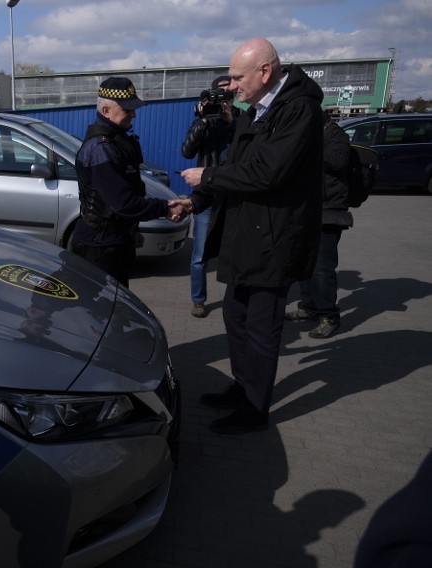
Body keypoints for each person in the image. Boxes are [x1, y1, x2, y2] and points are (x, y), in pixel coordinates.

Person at [178, 38, 324, 434]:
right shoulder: (255, 109)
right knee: (235, 315)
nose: (232, 85)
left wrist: (206, 176)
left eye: (239, 77)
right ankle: (243, 387)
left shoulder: (298, 109)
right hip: (247, 233)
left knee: (261, 327)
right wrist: (195, 200)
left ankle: (255, 408)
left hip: (274, 239)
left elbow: (267, 173)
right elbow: (235, 163)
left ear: (265, 71)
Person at [73, 77, 186, 287]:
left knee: (118, 306)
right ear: (106, 111)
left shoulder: (120, 142)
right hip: (99, 248)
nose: (133, 114)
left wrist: (133, 229)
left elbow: (132, 189)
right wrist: (165, 208)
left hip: (116, 242)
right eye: (127, 109)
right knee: (100, 312)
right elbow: (122, 203)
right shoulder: (101, 149)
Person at [285, 111, 353, 338]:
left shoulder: (336, 135)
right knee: (304, 265)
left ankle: (329, 317)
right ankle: (308, 308)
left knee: (322, 269)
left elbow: (339, 161)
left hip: (329, 212)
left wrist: (310, 148)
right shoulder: (313, 137)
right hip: (306, 211)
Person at [180, 75, 238, 318]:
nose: (222, 99)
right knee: (200, 255)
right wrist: (202, 121)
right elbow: (187, 151)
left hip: (233, 194)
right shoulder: (204, 120)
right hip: (207, 196)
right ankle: (198, 300)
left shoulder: (241, 120)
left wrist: (230, 120)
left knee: (236, 252)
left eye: (227, 94)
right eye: (218, 94)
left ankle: (236, 299)